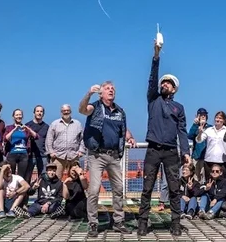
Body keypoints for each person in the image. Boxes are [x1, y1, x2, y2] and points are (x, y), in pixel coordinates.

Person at [138, 40, 190, 237]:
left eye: (167, 83)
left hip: (170, 153)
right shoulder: (153, 100)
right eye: (163, 82)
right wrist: (156, 55)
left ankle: (175, 222)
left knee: (175, 189)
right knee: (147, 188)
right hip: (152, 150)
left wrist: (185, 152)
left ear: (174, 89)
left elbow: (182, 131)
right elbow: (152, 79)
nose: (163, 84)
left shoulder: (179, 108)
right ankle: (143, 222)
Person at [78, 81, 135, 237]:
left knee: (118, 189)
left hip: (114, 156)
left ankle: (118, 222)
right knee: (94, 190)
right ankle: (93, 224)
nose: (111, 90)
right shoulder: (95, 107)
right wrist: (88, 94)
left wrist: (129, 136)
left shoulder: (119, 111)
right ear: (101, 93)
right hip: (97, 155)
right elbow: (82, 109)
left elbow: (121, 128)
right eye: (108, 88)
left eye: (113, 89)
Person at [45, 105, 85, 180]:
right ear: (61, 112)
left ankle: (72, 192)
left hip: (74, 156)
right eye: (64, 111)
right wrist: (51, 152)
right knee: (56, 178)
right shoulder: (55, 124)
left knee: (74, 179)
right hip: (58, 156)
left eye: (67, 110)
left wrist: (81, 151)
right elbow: (49, 139)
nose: (66, 112)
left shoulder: (77, 124)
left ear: (70, 111)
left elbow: (83, 139)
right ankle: (58, 192)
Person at [3, 109, 39, 176]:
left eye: (20, 115)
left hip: (23, 155)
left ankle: (20, 186)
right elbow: (5, 139)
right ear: (13, 117)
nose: (18, 116)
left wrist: (28, 129)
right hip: (12, 154)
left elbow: (36, 136)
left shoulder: (25, 128)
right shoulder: (9, 127)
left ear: (22, 116)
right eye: (16, 115)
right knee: (10, 174)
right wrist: (14, 129)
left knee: (21, 175)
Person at [24, 105, 49, 185]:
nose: (39, 113)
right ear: (34, 112)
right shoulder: (28, 125)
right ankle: (25, 197)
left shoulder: (47, 126)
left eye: (41, 111)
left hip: (43, 155)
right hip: (30, 155)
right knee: (27, 177)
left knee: (43, 178)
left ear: (43, 113)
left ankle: (41, 196)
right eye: (37, 111)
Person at [187, 108, 209, 181]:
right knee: (196, 179)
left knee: (207, 178)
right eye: (201, 115)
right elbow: (190, 136)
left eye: (204, 115)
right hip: (196, 157)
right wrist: (195, 125)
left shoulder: (210, 127)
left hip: (207, 157)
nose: (203, 116)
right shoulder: (195, 126)